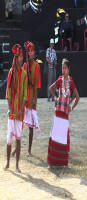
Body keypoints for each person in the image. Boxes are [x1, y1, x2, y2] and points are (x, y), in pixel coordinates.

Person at [47, 58, 80, 169]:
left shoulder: (71, 81)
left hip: (65, 113)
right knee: (56, 134)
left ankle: (64, 163)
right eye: (62, 68)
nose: (63, 70)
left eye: (65, 68)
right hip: (58, 112)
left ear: (69, 69)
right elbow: (51, 88)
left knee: (63, 136)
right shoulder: (60, 80)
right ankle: (52, 162)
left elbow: (77, 96)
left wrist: (71, 106)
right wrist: (55, 98)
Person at [5, 44, 27, 173]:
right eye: (20, 56)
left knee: (18, 139)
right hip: (12, 111)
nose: (22, 58)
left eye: (22, 56)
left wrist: (21, 109)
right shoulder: (11, 72)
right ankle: (8, 163)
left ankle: (17, 165)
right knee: (9, 139)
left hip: (20, 112)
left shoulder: (24, 74)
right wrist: (10, 108)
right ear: (16, 57)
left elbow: (24, 94)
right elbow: (8, 91)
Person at [23, 41, 41, 157]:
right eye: (29, 51)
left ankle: (29, 150)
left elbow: (37, 85)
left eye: (32, 51)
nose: (30, 53)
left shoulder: (37, 66)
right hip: (25, 98)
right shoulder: (24, 66)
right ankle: (17, 148)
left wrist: (34, 99)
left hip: (32, 98)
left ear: (34, 52)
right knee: (19, 123)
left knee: (30, 127)